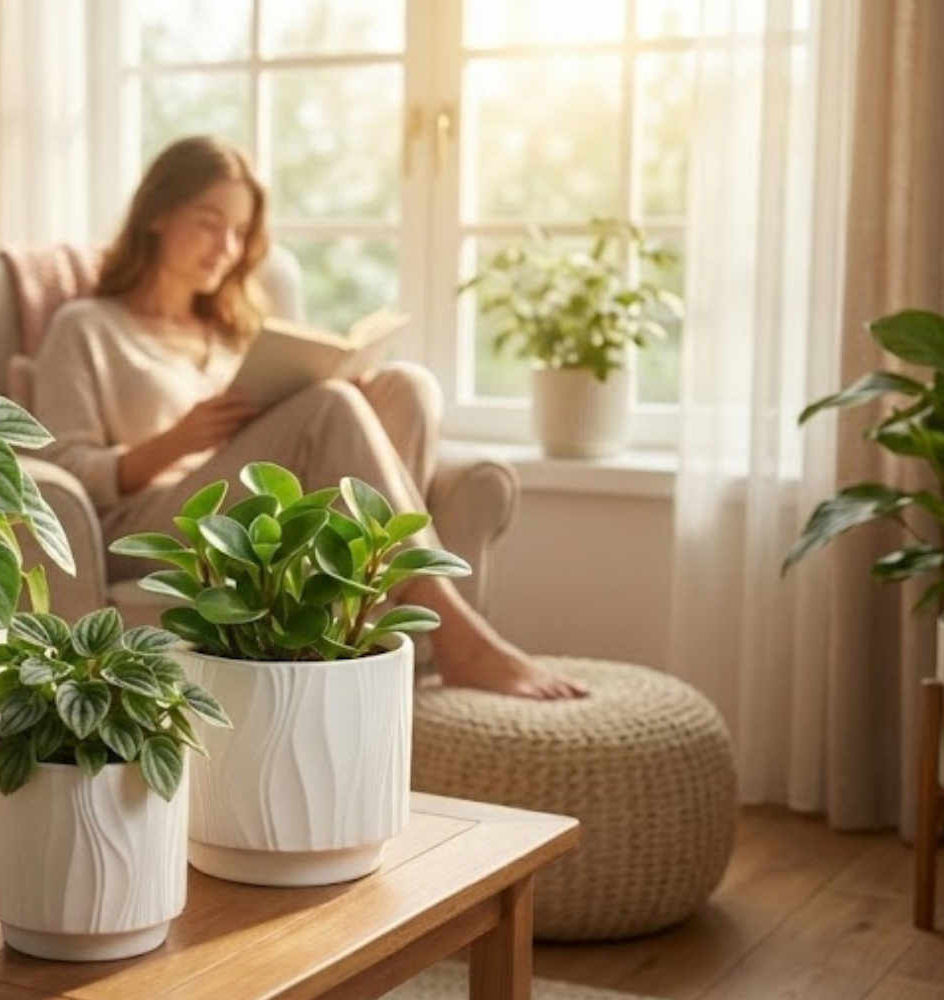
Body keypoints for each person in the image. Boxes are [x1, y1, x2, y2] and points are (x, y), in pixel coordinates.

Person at [31, 135, 586, 700]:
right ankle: (448, 626)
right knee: (329, 408)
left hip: (251, 509)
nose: (225, 246)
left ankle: (369, 616)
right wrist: (173, 443)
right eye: (208, 222)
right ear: (157, 214)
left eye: (241, 233)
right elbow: (61, 468)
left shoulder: (234, 330)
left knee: (405, 387)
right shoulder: (86, 327)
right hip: (152, 522)